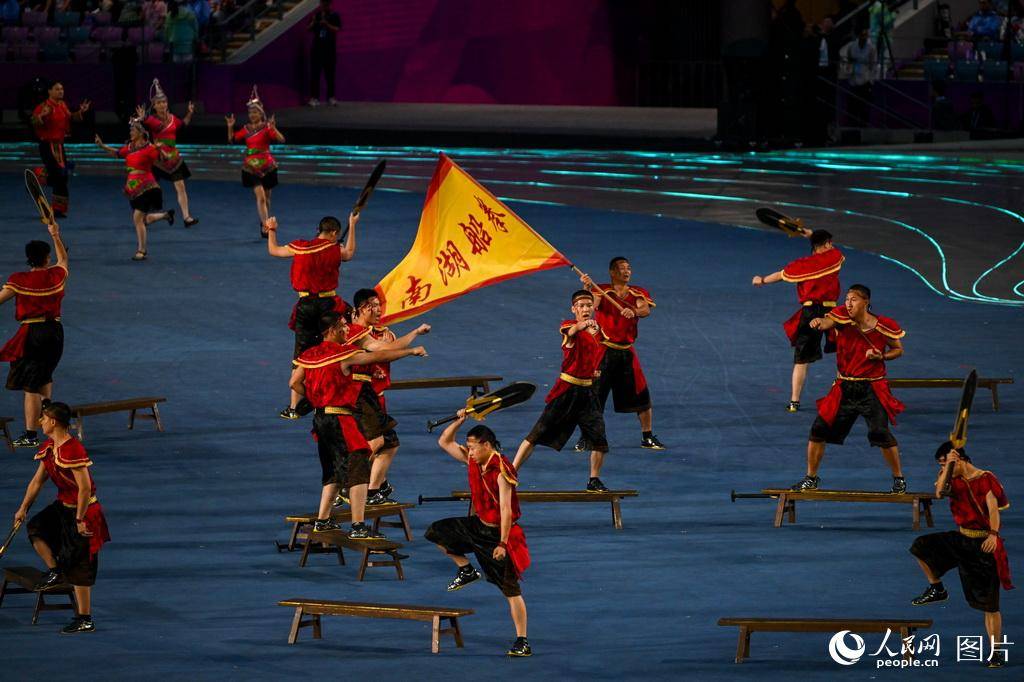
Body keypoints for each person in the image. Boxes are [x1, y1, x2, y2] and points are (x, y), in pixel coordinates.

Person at [289, 311, 426, 538]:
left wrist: (315, 399)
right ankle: (358, 526)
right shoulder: (344, 354)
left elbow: (294, 382)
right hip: (341, 418)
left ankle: (322, 521)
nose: (347, 330)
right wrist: (411, 351)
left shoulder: (309, 355)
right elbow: (376, 357)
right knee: (359, 469)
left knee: (332, 470)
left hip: (320, 419)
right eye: (343, 326)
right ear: (332, 329)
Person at [427, 416, 531, 657]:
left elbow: (505, 511)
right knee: (436, 532)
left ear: (486, 445)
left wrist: (503, 544)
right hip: (476, 525)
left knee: (510, 591)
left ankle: (522, 640)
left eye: (473, 447)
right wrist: (460, 419)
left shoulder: (501, 471)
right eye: (469, 448)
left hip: (497, 534)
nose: (470, 452)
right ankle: (466, 569)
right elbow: (444, 441)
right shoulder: (474, 460)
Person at [791, 284, 907, 493]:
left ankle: (899, 480)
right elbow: (828, 322)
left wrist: (881, 356)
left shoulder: (883, 325)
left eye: (854, 299)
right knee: (818, 429)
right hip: (844, 386)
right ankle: (811, 478)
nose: (848, 303)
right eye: (846, 299)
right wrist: (820, 322)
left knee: (880, 433)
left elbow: (898, 349)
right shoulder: (842, 318)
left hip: (872, 388)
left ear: (866, 302)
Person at [909, 442, 1011, 668]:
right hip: (961, 538)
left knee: (990, 606)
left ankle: (996, 652)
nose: (943, 468)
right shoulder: (949, 477)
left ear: (961, 460)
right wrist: (948, 466)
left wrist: (993, 535)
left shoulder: (985, 478)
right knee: (921, 546)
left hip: (983, 543)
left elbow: (993, 508)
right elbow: (939, 492)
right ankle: (937, 588)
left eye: (945, 464)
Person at [13, 400, 111, 634]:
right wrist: (23, 507)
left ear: (53, 422)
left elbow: (85, 488)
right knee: (37, 528)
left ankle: (85, 618)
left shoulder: (73, 449)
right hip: (63, 507)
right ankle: (55, 571)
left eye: (43, 418)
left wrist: (79, 519)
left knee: (80, 564)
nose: (40, 422)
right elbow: (37, 481)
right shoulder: (49, 447)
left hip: (85, 511)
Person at [513, 289, 610, 492]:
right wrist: (582, 325)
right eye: (581, 306)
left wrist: (595, 371)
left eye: (588, 305)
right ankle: (511, 472)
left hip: (588, 393)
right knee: (537, 433)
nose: (585, 309)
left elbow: (593, 356)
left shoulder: (597, 333)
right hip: (566, 391)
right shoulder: (568, 326)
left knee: (599, 439)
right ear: (573, 309)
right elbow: (573, 332)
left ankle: (594, 480)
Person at [345, 288, 431, 505]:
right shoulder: (355, 333)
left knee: (390, 442)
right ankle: (348, 486)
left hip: (373, 396)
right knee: (375, 442)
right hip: (358, 394)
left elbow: (388, 350)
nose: (378, 310)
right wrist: (412, 344)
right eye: (373, 306)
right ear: (362, 309)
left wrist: (414, 336)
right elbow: (382, 351)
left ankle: (373, 490)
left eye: (378, 305)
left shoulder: (378, 332)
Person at [266, 214, 356, 419]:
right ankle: (340, 393)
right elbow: (349, 253)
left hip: (305, 306)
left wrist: (271, 229)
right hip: (328, 306)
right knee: (341, 343)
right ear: (334, 233)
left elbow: (274, 250)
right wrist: (353, 225)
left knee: (300, 355)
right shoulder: (334, 249)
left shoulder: (301, 247)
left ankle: (293, 408)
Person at [753, 228, 844, 411]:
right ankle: (843, 396)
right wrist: (811, 234)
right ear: (826, 244)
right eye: (830, 243)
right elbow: (833, 251)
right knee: (844, 352)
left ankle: (794, 402)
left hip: (809, 313)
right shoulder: (833, 258)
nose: (832, 246)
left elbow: (780, 275)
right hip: (833, 313)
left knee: (801, 359)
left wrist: (761, 280)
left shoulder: (801, 265)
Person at [577, 257, 663, 451]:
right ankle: (586, 437)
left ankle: (647, 437)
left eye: (628, 268)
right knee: (592, 396)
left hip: (626, 352)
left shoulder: (637, 292)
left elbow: (645, 310)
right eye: (621, 268)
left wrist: (633, 311)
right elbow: (594, 305)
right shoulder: (601, 290)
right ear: (612, 272)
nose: (626, 271)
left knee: (642, 395)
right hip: (603, 350)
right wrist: (589, 288)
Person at [0, 223, 68, 448]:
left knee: (30, 386)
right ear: (47, 258)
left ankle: (30, 435)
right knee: (45, 375)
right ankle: (48, 409)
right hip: (56, 333)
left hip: (32, 335)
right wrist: (55, 234)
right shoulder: (56, 276)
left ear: (29, 258)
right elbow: (64, 260)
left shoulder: (19, 280)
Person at [95, 119, 175, 261]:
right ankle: (165, 215)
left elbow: (166, 159)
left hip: (147, 187)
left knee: (137, 218)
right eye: (130, 130)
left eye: (133, 130)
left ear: (140, 132)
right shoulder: (130, 147)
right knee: (142, 219)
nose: (131, 132)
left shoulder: (150, 148)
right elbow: (118, 153)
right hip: (133, 187)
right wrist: (102, 146)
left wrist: (160, 149)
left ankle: (142, 251)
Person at [137, 79, 199, 226]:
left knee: (181, 187)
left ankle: (186, 217)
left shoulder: (173, 119)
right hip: (157, 160)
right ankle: (147, 216)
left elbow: (183, 124)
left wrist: (189, 113)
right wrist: (143, 117)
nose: (162, 105)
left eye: (163, 102)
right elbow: (151, 123)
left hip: (173, 159)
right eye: (158, 103)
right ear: (154, 106)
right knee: (149, 190)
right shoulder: (152, 119)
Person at [226, 87, 284, 238]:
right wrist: (230, 127)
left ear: (261, 114)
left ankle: (263, 221)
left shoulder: (267, 127)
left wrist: (274, 128)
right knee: (261, 197)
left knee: (267, 197)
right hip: (251, 167)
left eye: (255, 112)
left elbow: (281, 139)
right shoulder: (245, 129)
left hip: (268, 166)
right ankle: (265, 225)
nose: (252, 115)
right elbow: (232, 140)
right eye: (250, 112)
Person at [30, 81, 91, 219]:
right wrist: (41, 116)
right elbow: (33, 121)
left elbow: (71, 117)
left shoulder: (62, 105)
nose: (61, 91)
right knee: (58, 176)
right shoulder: (44, 107)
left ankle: (58, 209)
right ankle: (36, 178)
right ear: (49, 91)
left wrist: (81, 111)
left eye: (62, 89)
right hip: (47, 145)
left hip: (59, 145)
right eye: (57, 89)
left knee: (62, 177)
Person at [307, 0, 341, 107]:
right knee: (315, 75)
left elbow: (337, 29)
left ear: (330, 4)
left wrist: (326, 24)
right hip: (317, 50)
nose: (324, 6)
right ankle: (314, 98)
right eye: (322, 4)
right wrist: (313, 22)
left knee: (330, 75)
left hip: (329, 50)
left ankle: (331, 97)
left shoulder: (334, 15)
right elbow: (308, 29)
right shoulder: (316, 15)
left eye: (326, 4)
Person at [842, 28, 877, 126]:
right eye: (862, 35)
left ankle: (863, 126)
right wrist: (848, 72)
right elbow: (848, 61)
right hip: (853, 80)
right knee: (852, 106)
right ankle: (852, 125)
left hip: (865, 80)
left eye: (865, 36)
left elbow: (873, 65)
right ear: (858, 36)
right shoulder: (852, 47)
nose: (864, 38)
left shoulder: (871, 48)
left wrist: (871, 80)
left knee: (864, 106)